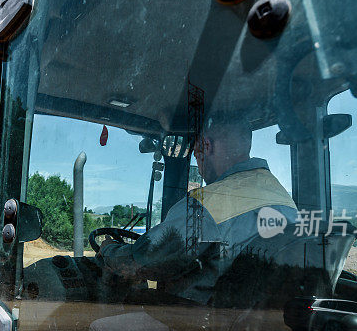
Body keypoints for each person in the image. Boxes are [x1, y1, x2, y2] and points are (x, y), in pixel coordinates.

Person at [97, 116, 298, 304]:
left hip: (200, 328)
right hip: (255, 322)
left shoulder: (207, 203)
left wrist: (107, 249)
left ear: (206, 146)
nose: (196, 160)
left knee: (101, 327)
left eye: (195, 151)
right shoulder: (283, 198)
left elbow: (141, 262)